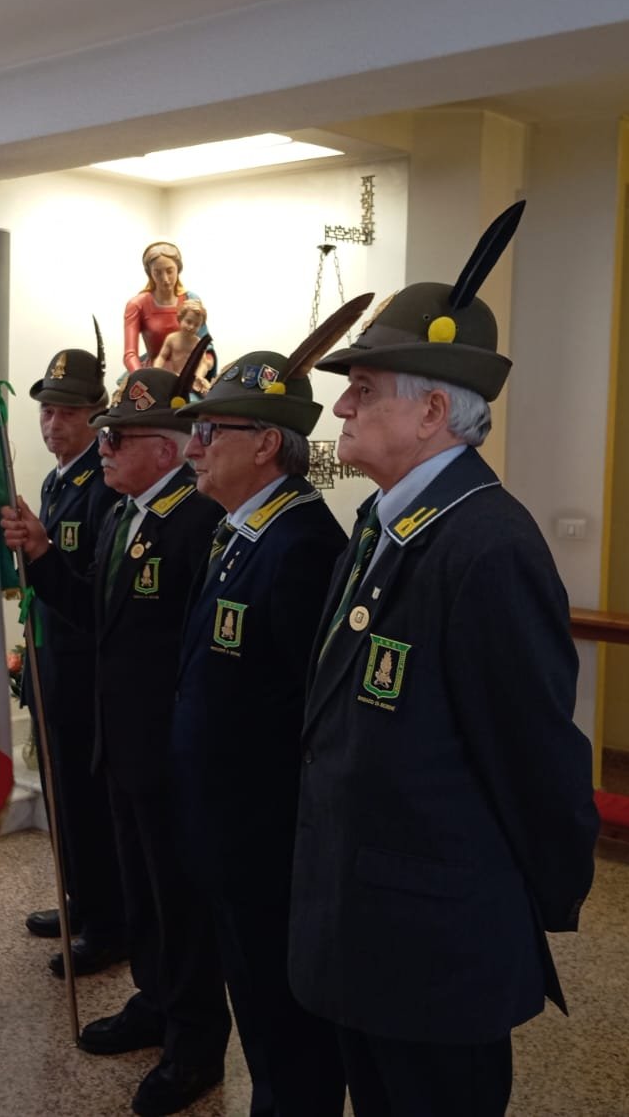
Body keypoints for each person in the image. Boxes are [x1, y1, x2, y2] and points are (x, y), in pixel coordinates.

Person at [291, 202, 600, 1116]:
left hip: (435, 944)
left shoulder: (487, 547)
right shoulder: (382, 524)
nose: (340, 405)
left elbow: (535, 760)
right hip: (365, 929)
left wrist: (528, 904)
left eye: (364, 387)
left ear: (433, 410)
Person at [2, 362, 229, 1117]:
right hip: (121, 743)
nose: (102, 447)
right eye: (104, 435)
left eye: (118, 437)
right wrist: (43, 555)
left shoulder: (197, 523)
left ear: (166, 450)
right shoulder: (126, 515)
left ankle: (194, 1042)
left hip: (168, 753)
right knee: (144, 894)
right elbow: (97, 616)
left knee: (180, 903)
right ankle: (154, 1002)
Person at [171, 324, 376, 1116]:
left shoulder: (299, 547)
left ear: (264, 445)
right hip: (232, 835)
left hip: (268, 844)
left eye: (210, 432)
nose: (193, 447)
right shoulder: (243, 533)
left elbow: (310, 718)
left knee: (287, 1033)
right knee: (258, 1014)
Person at [17, 338, 128, 980]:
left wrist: (41, 551)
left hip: (86, 674)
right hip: (53, 663)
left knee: (88, 805)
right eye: (46, 410)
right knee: (62, 800)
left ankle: (108, 925)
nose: (53, 423)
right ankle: (79, 903)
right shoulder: (57, 479)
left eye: (67, 412)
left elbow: (91, 591)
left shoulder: (104, 485)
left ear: (96, 413)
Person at [122, 241, 206, 372]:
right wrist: (141, 377)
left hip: (186, 374)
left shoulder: (191, 299)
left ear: (178, 269)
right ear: (150, 273)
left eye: (170, 271)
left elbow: (205, 345)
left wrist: (203, 368)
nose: (165, 279)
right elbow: (130, 354)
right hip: (153, 373)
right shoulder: (137, 304)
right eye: (157, 272)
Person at [151, 300, 216, 395]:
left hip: (193, 380)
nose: (191, 327)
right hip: (176, 377)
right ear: (180, 318)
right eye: (188, 322)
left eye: (196, 325)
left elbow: (203, 363)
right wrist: (156, 370)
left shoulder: (198, 343)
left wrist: (199, 376)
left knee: (206, 391)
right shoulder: (172, 338)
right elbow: (162, 356)